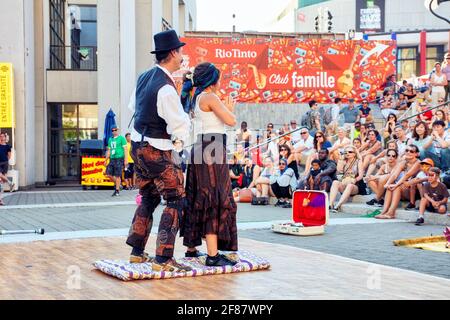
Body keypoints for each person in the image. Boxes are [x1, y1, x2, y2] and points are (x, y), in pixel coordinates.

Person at [126, 30, 193, 271]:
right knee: (175, 199)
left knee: (149, 196)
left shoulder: (145, 77)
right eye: (181, 51)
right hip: (156, 148)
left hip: (137, 146)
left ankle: (136, 252)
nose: (182, 55)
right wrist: (179, 144)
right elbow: (179, 124)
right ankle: (163, 259)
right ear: (173, 53)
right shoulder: (166, 88)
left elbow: (133, 106)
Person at [181, 62, 238, 267]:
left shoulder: (196, 97)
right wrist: (230, 109)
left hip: (201, 147)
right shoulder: (210, 97)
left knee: (198, 194)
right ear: (213, 80)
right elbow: (231, 120)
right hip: (212, 148)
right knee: (213, 196)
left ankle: (191, 248)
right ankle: (213, 255)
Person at [375, 145, 421, 219]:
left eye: (411, 151)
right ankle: (384, 211)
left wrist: (395, 185)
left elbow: (408, 175)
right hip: (404, 187)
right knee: (390, 186)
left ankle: (391, 212)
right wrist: (387, 184)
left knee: (396, 187)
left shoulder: (418, 163)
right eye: (407, 150)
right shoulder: (404, 162)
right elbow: (394, 175)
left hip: (413, 191)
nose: (408, 152)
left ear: (416, 154)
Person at [329, 145, 364, 212]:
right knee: (335, 182)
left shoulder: (358, 161)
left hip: (354, 186)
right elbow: (339, 171)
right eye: (345, 152)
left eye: (350, 152)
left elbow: (361, 176)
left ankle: (338, 205)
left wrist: (354, 180)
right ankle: (331, 204)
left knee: (350, 185)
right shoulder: (343, 161)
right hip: (344, 184)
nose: (347, 153)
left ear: (354, 153)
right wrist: (340, 160)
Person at [105, 125, 128, 197]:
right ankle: (119, 184)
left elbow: (125, 149)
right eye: (112, 130)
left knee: (117, 175)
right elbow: (109, 150)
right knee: (108, 174)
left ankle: (117, 190)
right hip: (112, 158)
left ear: (118, 130)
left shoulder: (121, 138)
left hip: (119, 158)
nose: (114, 131)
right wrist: (105, 159)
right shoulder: (110, 139)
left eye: (115, 130)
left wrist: (126, 160)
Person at [0, 132, 14, 204]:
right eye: (1, 136)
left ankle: (0, 200)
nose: (2, 138)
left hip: (4, 163)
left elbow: (9, 155)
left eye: (3, 136)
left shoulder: (8, 146)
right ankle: (10, 183)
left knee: (1, 182)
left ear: (5, 137)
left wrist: (6, 161)